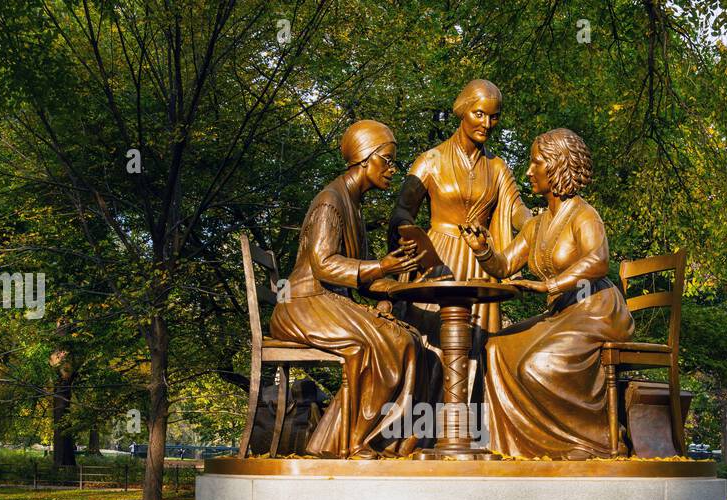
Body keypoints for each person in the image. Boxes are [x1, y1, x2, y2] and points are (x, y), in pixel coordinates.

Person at [458, 128, 634, 459]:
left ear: (555, 167)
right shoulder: (536, 224)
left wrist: (549, 286)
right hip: (562, 314)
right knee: (495, 348)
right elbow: (505, 263)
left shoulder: (584, 214)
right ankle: (503, 444)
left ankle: (591, 441)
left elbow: (598, 261)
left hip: (595, 311)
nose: (528, 171)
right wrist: (483, 250)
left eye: (535, 163)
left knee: (537, 365)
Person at [270, 120, 423, 458]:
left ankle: (350, 440)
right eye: (387, 159)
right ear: (365, 158)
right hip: (303, 303)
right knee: (385, 342)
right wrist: (384, 266)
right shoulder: (331, 202)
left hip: (325, 302)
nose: (392, 169)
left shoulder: (353, 205)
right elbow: (325, 264)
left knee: (409, 338)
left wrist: (404, 283)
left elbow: (364, 278)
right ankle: (355, 441)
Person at [388, 79, 532, 390]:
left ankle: (467, 427)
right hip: (438, 259)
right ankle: (424, 425)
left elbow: (517, 211)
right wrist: (409, 240)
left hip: (481, 262)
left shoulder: (497, 167)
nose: (488, 124)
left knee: (476, 347)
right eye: (480, 114)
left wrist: (544, 222)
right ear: (463, 111)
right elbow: (403, 210)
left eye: (494, 117)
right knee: (431, 343)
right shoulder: (431, 160)